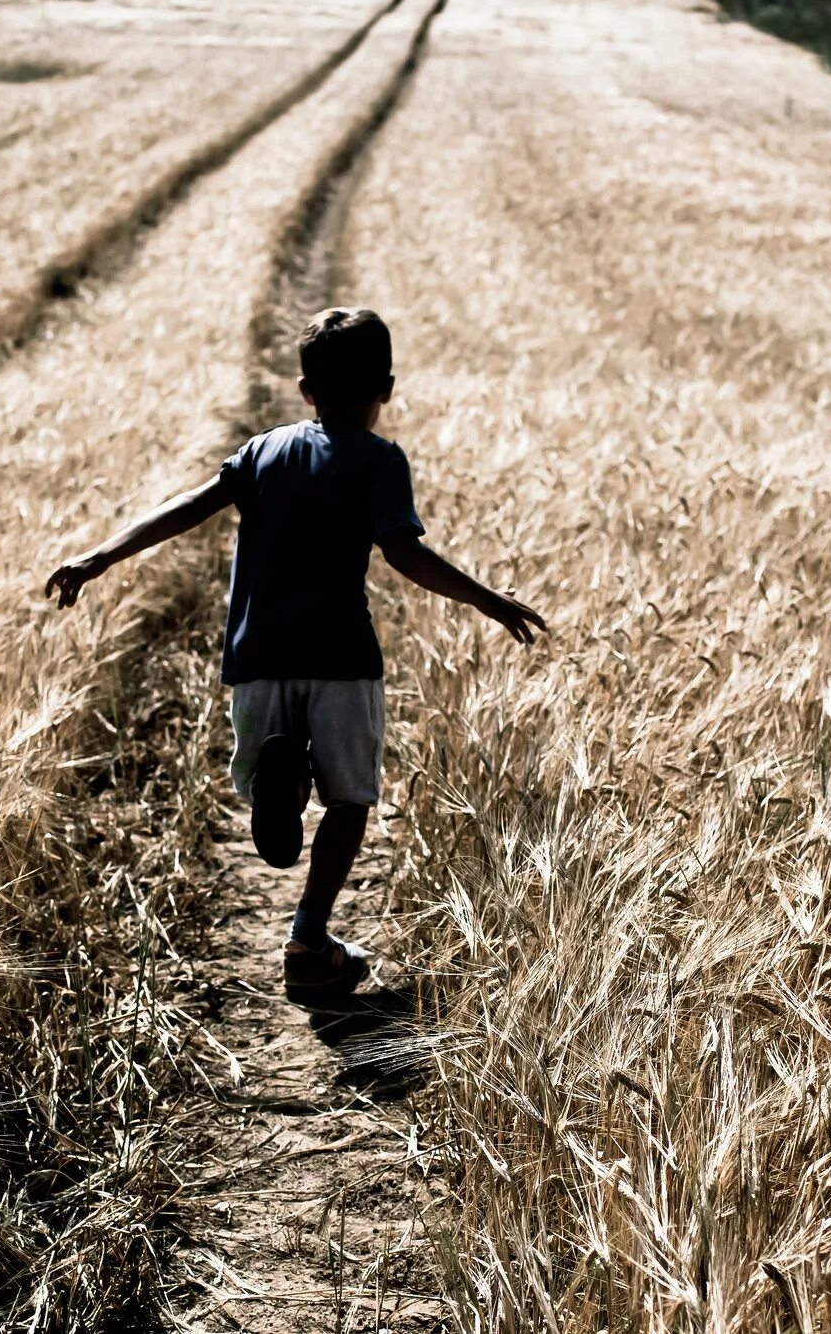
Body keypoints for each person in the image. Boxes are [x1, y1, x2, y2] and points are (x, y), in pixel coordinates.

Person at [44, 307, 545, 1003]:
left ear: (306, 390)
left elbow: (189, 507)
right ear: (387, 389)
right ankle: (309, 937)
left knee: (258, 774)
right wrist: (486, 598)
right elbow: (403, 553)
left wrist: (99, 556)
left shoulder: (263, 451)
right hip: (342, 655)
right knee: (351, 800)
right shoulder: (380, 459)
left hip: (259, 657)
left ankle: (274, 782)